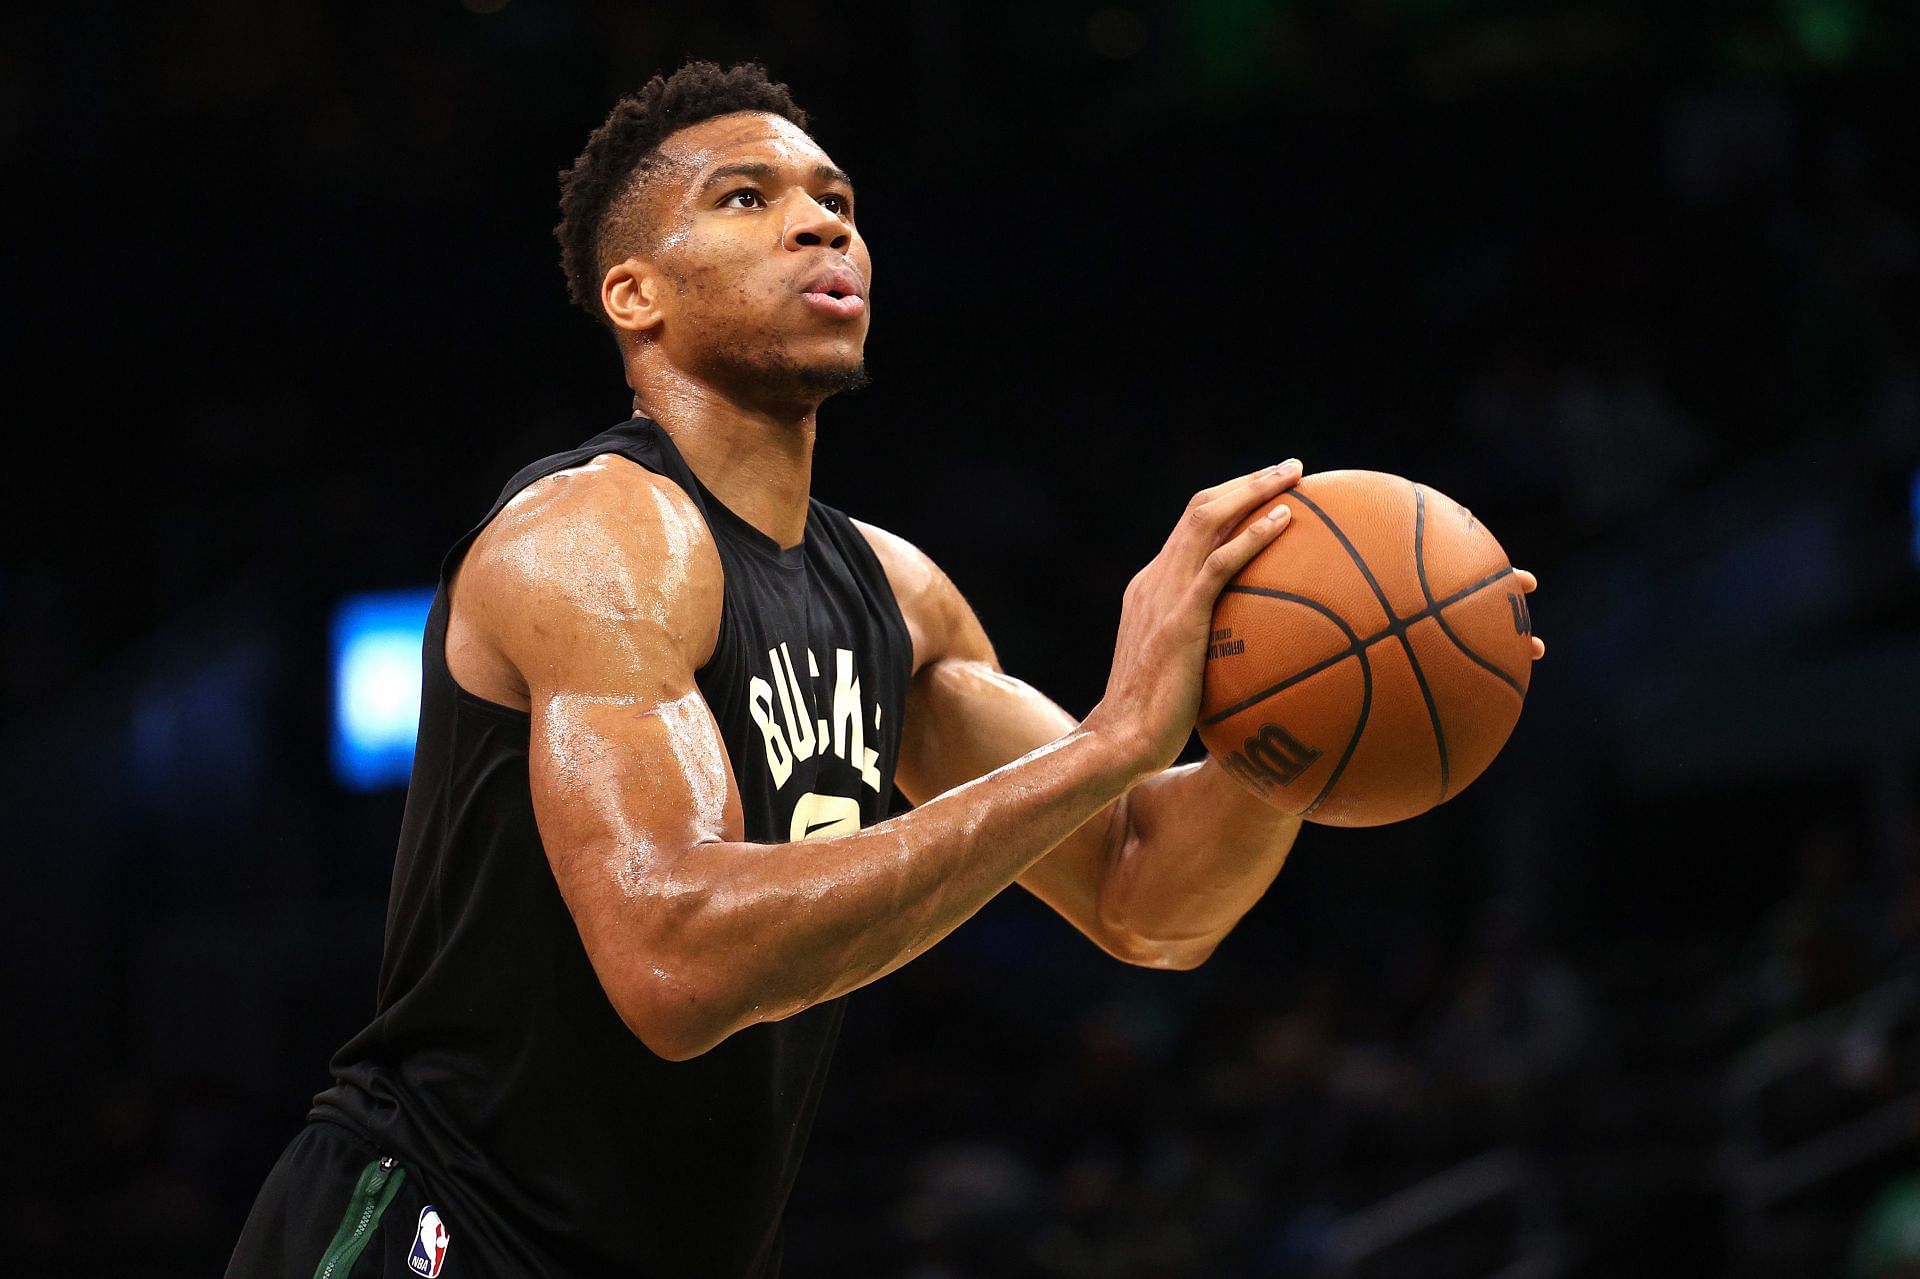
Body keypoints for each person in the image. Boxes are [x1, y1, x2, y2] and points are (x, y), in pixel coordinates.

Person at [227, 60, 1541, 1278]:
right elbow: (673, 961)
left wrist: (1273, 733)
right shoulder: (590, 538)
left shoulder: (894, 599)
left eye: (837, 200)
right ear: (637, 294)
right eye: (748, 198)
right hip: (431, 1226)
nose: (821, 224)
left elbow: (1147, 897)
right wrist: (1109, 744)